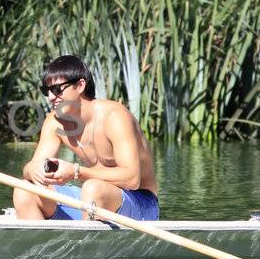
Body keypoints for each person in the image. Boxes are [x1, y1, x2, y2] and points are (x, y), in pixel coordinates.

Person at [14, 54, 160, 221]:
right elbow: (32, 167)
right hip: (93, 201)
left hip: (141, 202)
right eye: (46, 91)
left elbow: (132, 179)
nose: (51, 97)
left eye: (57, 89)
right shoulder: (54, 122)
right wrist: (32, 170)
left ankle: (85, 246)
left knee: (92, 188)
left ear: (80, 85)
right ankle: (42, 247)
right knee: (24, 190)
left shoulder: (115, 117)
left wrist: (75, 172)